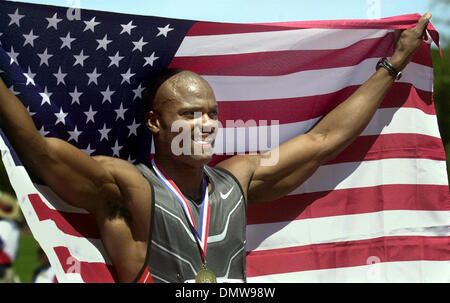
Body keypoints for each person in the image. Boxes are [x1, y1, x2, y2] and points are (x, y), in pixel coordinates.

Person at [0, 13, 432, 283]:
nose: (205, 124)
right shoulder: (127, 187)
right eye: (189, 114)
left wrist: (392, 65)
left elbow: (323, 141)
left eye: (211, 112)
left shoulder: (237, 178)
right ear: (155, 121)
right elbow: (37, 149)